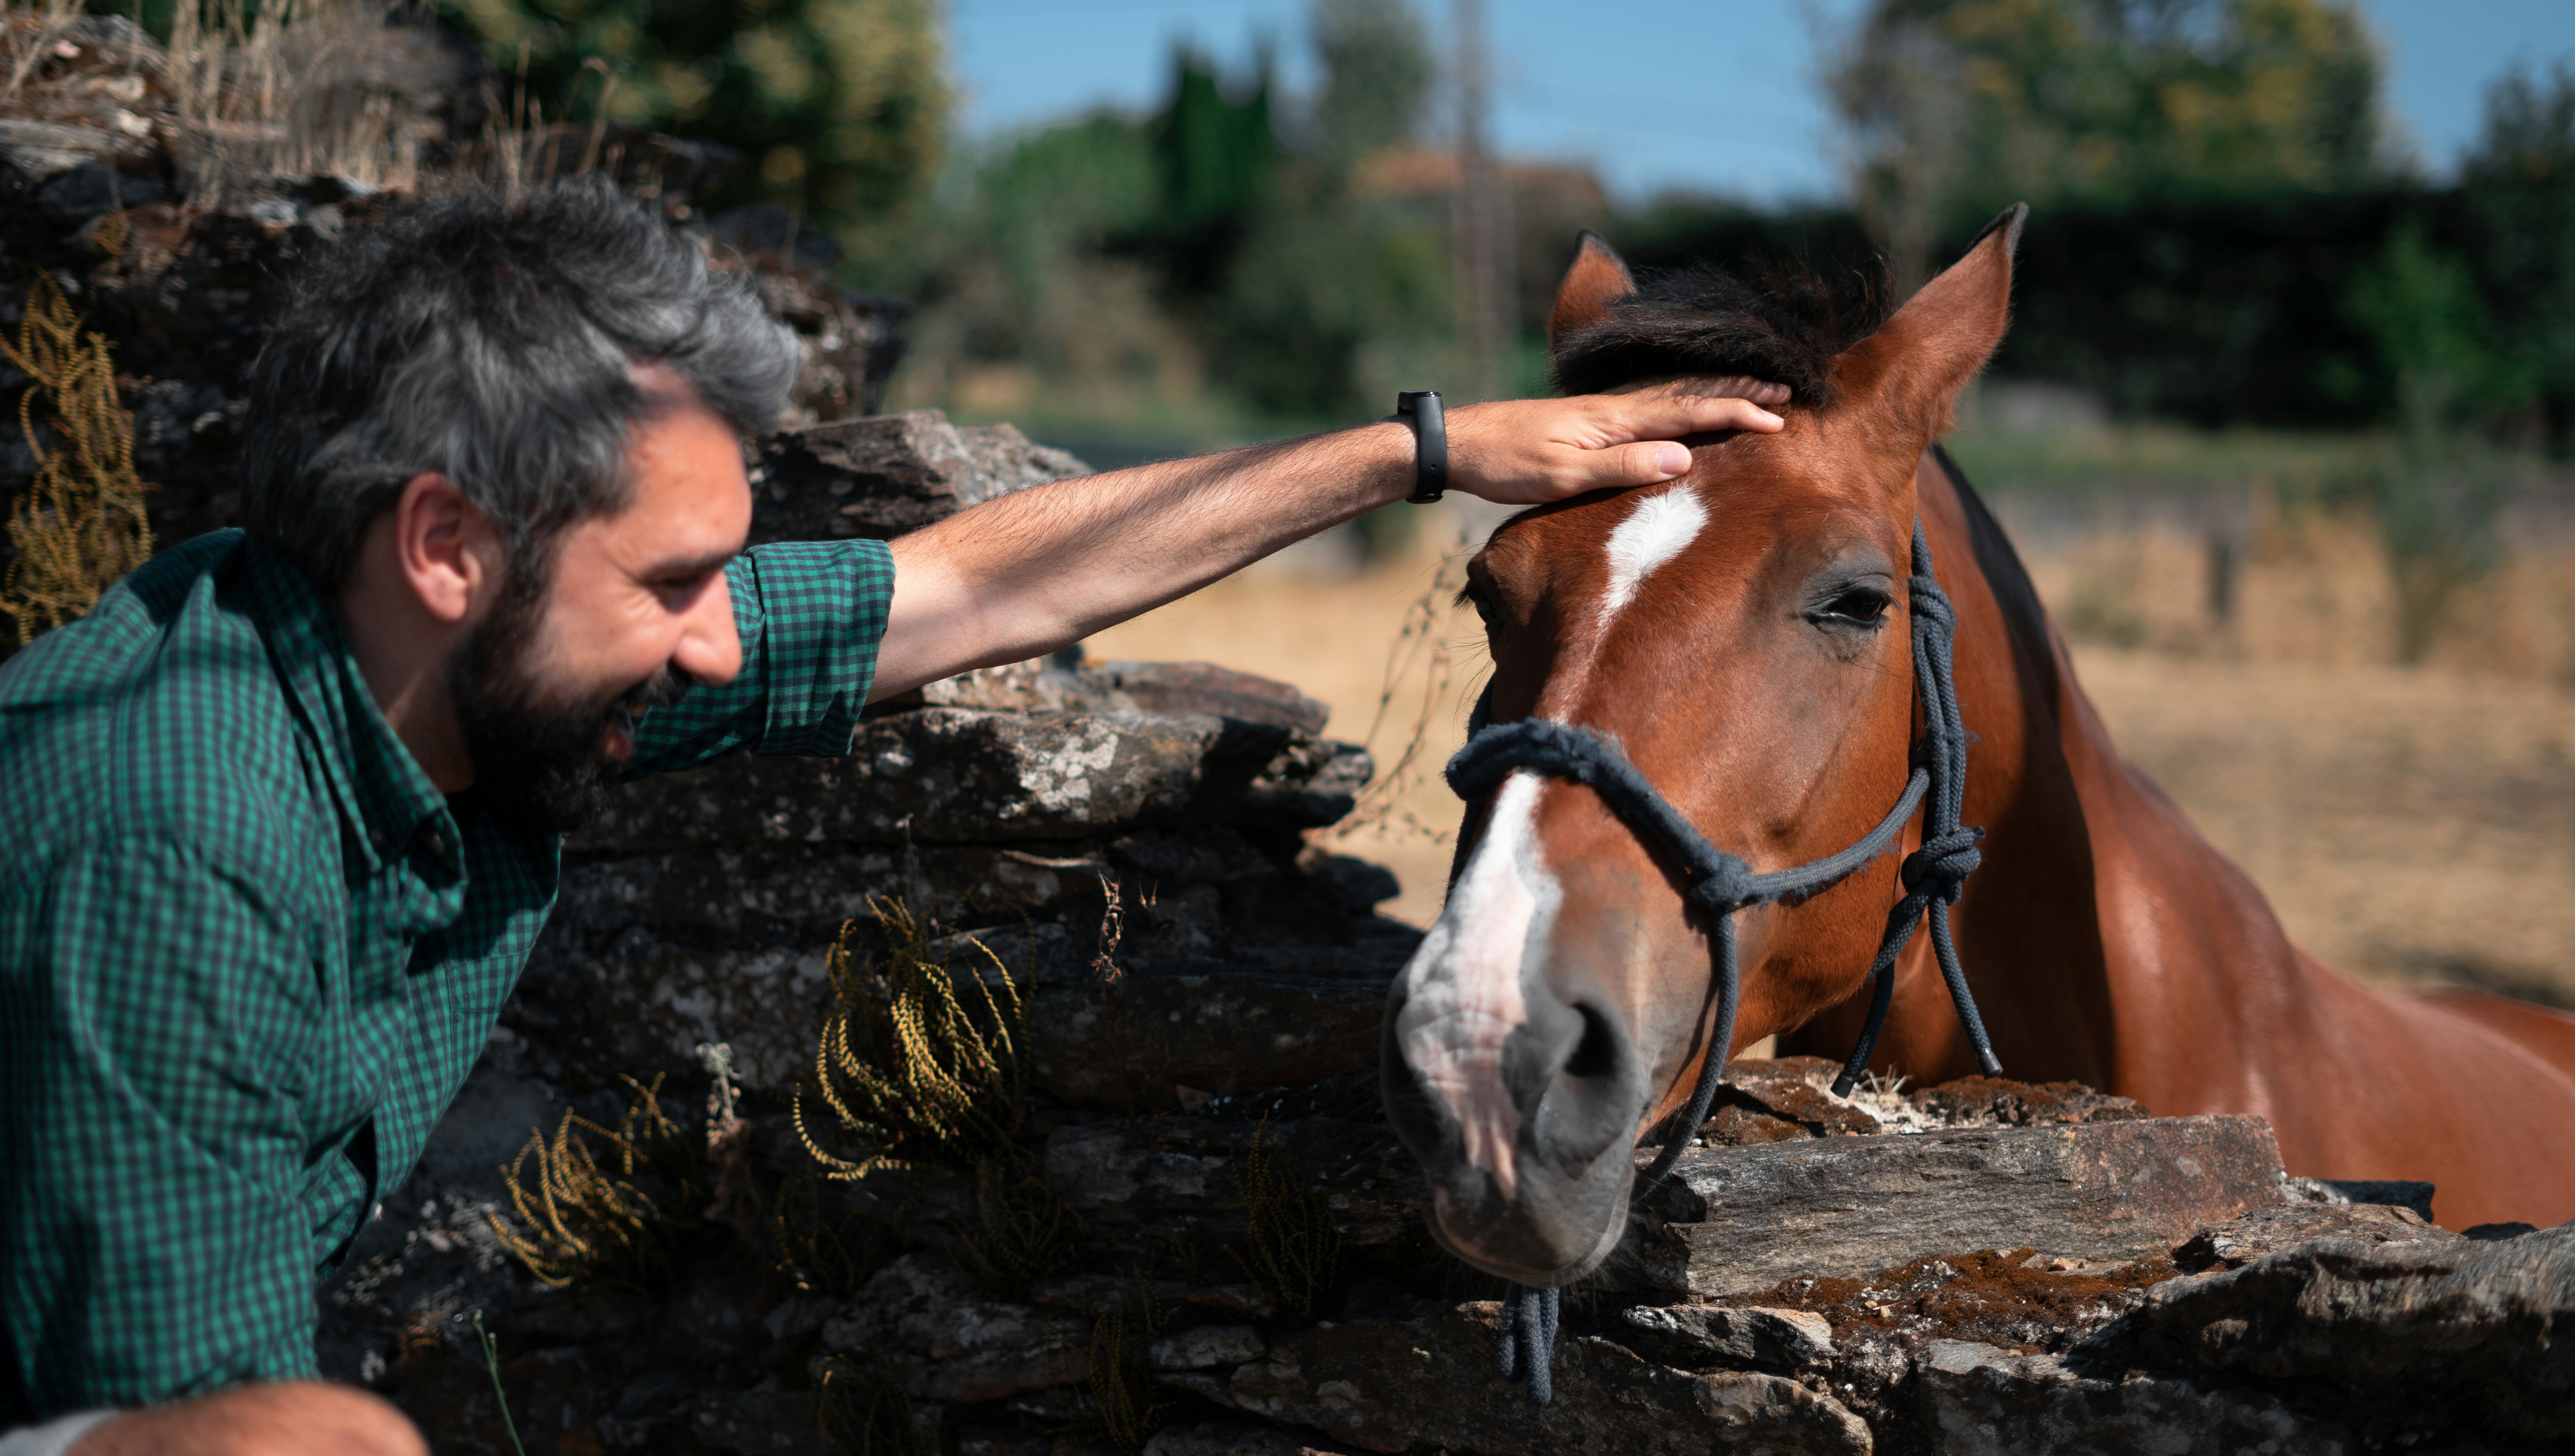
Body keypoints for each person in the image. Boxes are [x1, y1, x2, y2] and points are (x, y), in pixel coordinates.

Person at [0, 176, 1786, 1454]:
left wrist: (1424, 452)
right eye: (675, 581)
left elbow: (973, 590)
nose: (721, 644)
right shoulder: (174, 846)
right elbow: (188, 1425)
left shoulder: (441, 660)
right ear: (448, 544)